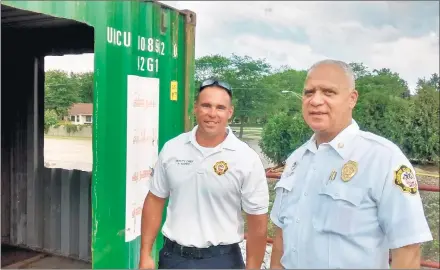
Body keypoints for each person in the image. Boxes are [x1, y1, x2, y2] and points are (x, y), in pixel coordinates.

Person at [269, 59, 433, 269]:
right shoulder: (296, 161)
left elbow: (407, 249)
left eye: (328, 92)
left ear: (352, 99)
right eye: (309, 92)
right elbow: (281, 242)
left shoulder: (382, 158)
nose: (316, 100)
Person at [139, 79, 269, 269]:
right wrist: (145, 254)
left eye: (220, 107)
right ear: (195, 108)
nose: (212, 114)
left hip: (222, 260)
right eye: (206, 105)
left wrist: (252, 267)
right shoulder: (172, 149)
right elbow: (155, 200)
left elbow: (258, 221)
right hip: (174, 258)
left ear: (230, 112)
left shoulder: (246, 158)